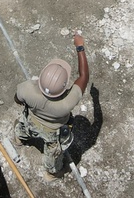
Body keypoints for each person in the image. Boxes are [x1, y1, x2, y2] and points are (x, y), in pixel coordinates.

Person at [15, 34, 90, 177]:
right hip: (53, 132)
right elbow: (84, 77)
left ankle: (19, 138)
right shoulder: (66, 103)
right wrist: (80, 47)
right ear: (63, 88)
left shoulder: (27, 88)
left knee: (23, 127)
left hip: (32, 121)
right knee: (53, 153)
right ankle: (51, 173)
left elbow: (17, 100)